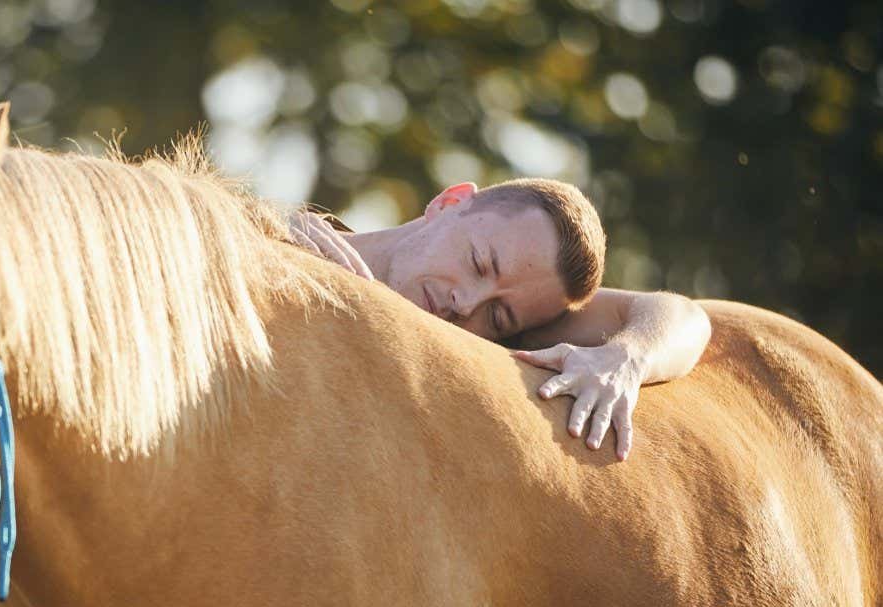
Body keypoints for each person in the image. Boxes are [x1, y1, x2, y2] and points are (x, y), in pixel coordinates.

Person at [289, 179, 711, 460]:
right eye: (478, 262)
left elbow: (685, 317)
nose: (466, 303)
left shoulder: (520, 318)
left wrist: (627, 359)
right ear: (448, 203)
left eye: (498, 315)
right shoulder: (275, 233)